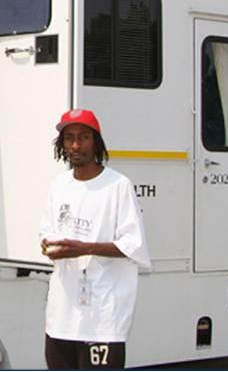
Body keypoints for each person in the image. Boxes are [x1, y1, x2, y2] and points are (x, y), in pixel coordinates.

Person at [40, 109, 150, 370]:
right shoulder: (58, 185)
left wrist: (83, 249)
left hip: (103, 317)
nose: (76, 145)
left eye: (83, 137)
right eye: (69, 138)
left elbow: (133, 244)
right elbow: (46, 233)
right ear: (62, 144)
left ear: (96, 142)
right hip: (62, 315)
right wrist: (49, 247)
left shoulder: (118, 185)